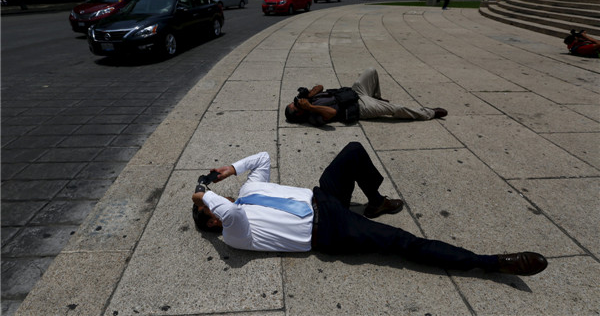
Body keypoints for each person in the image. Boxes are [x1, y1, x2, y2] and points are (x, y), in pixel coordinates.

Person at [192, 142, 548, 276]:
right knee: (404, 242)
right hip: (328, 232)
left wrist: (232, 169)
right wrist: (203, 194)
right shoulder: (233, 235)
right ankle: (493, 263)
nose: (217, 211)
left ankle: (375, 201)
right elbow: (232, 213)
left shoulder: (248, 190)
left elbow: (264, 158)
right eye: (211, 214)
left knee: (352, 150)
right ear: (212, 222)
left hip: (324, 197)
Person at [284, 67, 447, 126]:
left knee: (371, 71)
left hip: (354, 92)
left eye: (295, 102)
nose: (298, 102)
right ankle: (429, 113)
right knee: (396, 109)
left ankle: (377, 96)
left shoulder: (308, 99)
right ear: (298, 114)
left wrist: (310, 94)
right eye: (296, 106)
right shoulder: (313, 117)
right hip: (360, 107)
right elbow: (331, 114)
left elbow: (319, 86)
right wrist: (310, 107)